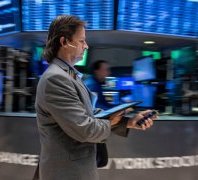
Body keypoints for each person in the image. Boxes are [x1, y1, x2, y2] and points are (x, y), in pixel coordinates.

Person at [35, 15, 157, 180]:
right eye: (81, 41)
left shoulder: (71, 76)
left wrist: (127, 121)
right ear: (64, 42)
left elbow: (91, 112)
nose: (86, 46)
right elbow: (85, 129)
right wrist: (110, 122)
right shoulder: (55, 79)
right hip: (67, 173)